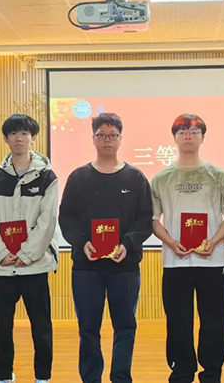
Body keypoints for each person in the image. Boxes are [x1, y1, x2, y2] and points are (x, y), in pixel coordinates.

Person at [59, 112, 153, 383]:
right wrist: (82, 242)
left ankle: (121, 377)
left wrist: (127, 243)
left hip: (125, 266)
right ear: (93, 139)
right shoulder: (78, 177)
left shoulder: (135, 178)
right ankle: (91, 378)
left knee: (125, 327)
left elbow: (144, 219)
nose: (107, 140)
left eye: (113, 135)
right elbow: (67, 218)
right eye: (102, 135)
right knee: (88, 328)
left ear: (121, 139)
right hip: (86, 267)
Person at [151, 114, 224, 383]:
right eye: (182, 131)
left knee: (215, 321)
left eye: (194, 131)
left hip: (212, 261)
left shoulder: (217, 176)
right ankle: (181, 373)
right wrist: (171, 242)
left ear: (203, 137)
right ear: (174, 137)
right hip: (176, 262)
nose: (188, 135)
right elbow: (153, 220)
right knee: (178, 321)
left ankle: (212, 374)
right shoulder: (161, 178)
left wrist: (214, 241)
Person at [0, 114, 59, 383]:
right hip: (2, 268)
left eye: (24, 133)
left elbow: (47, 221)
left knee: (41, 326)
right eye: (13, 133)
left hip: (35, 265)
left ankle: (42, 377)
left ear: (33, 138)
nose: (19, 138)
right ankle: (3, 376)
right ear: (6, 138)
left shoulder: (48, 177)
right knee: (3, 327)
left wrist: (26, 254)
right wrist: (1, 253)